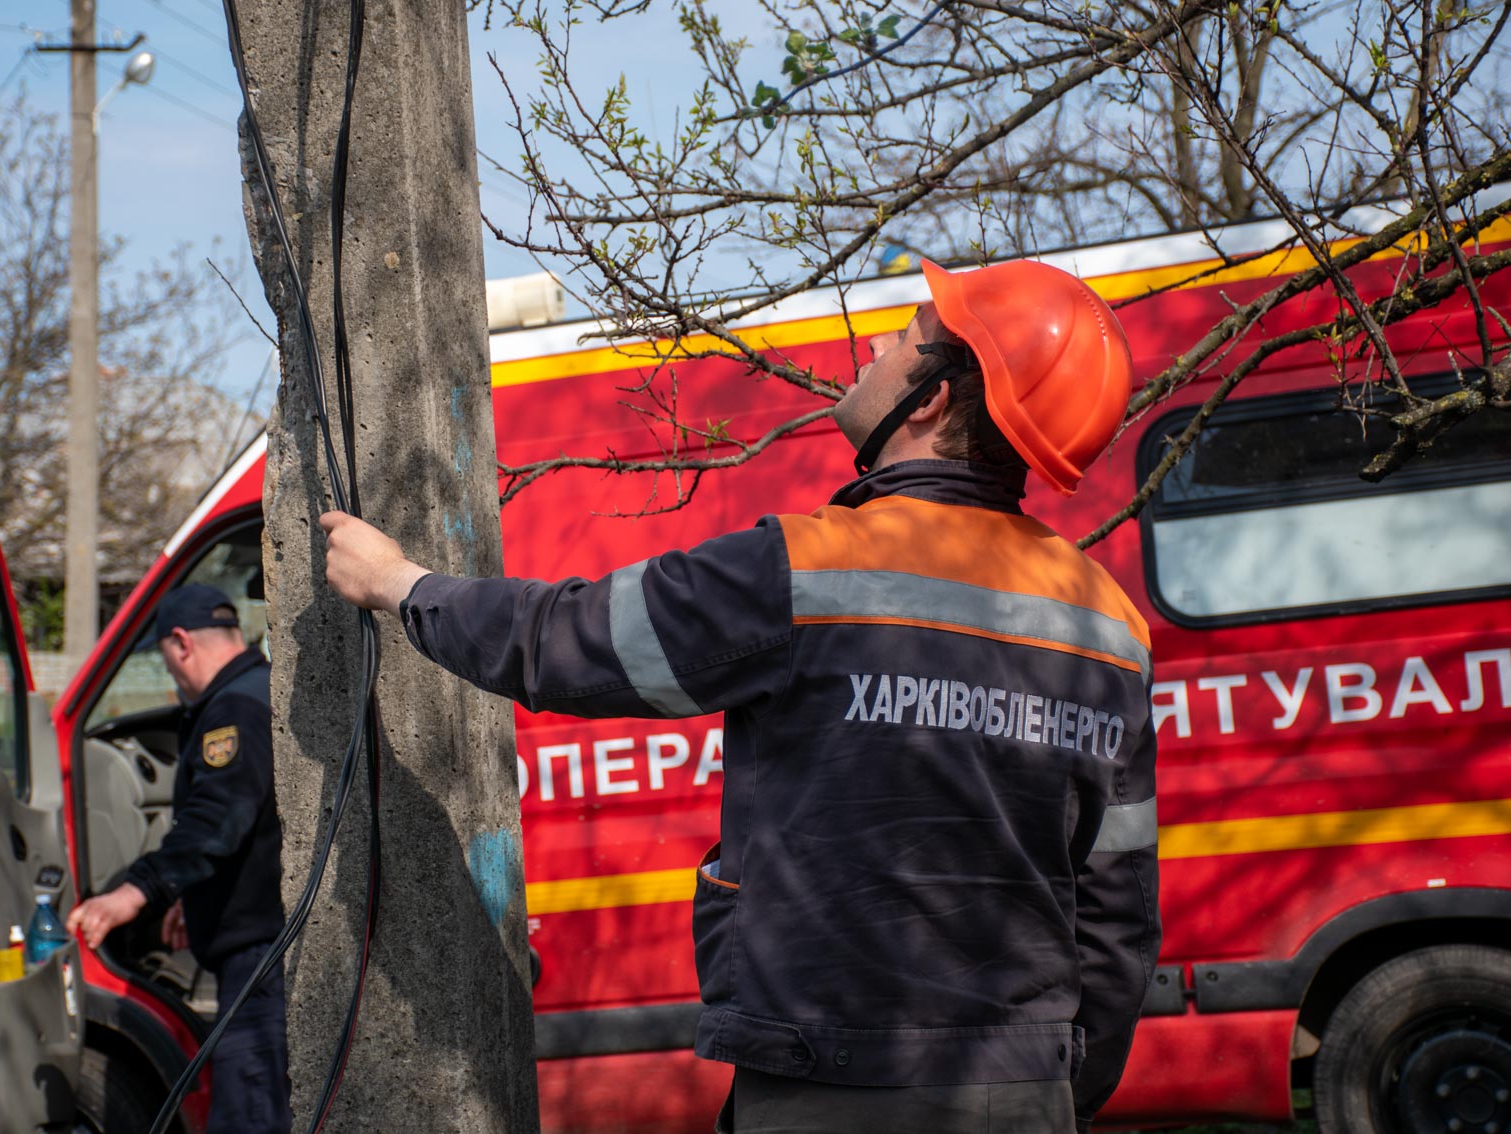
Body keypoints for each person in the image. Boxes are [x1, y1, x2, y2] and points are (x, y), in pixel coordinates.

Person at [320, 259, 1159, 1133]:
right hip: (1024, 1093)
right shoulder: (1111, 626)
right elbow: (1116, 912)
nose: (876, 342)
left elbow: (565, 641)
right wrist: (1055, 1084)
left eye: (904, 335)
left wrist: (402, 585)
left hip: (827, 1087)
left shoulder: (802, 570)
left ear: (930, 401)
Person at [67, 583, 291, 1134]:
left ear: (182, 643)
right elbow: (254, 828)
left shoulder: (232, 708)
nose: (168, 672)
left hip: (258, 965)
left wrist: (135, 891)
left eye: (165, 658)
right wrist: (194, 899)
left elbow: (218, 821)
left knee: (249, 1120)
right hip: (262, 950)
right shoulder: (255, 691)